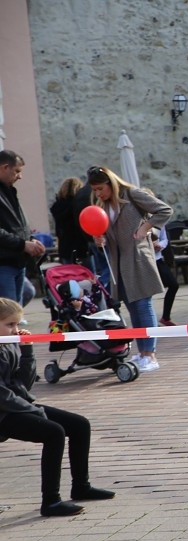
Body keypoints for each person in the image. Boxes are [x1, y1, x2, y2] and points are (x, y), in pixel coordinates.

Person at [0, 298, 115, 517]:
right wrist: (33, 410)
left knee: (79, 424)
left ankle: (81, 486)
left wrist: (27, 351)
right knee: (54, 432)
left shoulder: (8, 344)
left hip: (17, 406)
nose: (16, 330)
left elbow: (24, 383)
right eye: (9, 324)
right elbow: (2, 395)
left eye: (17, 324)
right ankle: (51, 501)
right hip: (4, 414)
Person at [87, 166, 173, 372]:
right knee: (133, 307)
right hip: (118, 262)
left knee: (143, 305)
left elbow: (165, 209)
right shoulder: (103, 205)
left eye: (100, 188)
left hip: (137, 258)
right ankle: (143, 352)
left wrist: (146, 227)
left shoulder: (132, 194)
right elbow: (106, 231)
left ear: (110, 183)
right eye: (95, 190)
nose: (98, 193)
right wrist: (101, 239)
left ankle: (150, 354)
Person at [0, 151, 46, 303]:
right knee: (9, 313)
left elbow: (17, 224)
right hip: (4, 263)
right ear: (5, 167)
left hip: (17, 261)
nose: (20, 176)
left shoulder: (9, 191)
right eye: (17, 171)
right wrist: (23, 244)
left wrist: (31, 240)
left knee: (14, 313)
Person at [50, 177, 89, 264]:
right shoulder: (78, 205)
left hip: (65, 246)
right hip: (81, 245)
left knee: (69, 273)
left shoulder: (57, 206)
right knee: (89, 274)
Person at [149, 228, 180, 326]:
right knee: (147, 291)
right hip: (144, 260)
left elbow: (164, 239)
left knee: (174, 285)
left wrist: (160, 245)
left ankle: (165, 317)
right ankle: (149, 320)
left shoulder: (160, 221)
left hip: (158, 259)